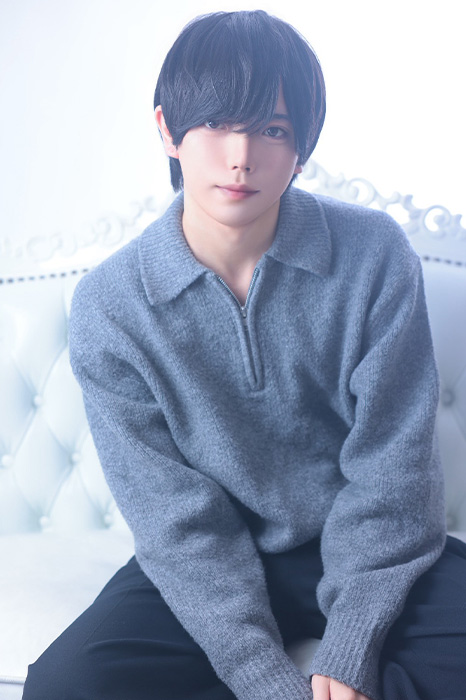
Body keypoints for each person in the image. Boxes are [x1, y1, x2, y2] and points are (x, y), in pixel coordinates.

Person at [23, 10, 466, 700]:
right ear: (168, 130)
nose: (241, 155)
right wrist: (264, 680)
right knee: (68, 686)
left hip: (367, 549)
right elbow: (175, 522)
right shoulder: (112, 305)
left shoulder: (373, 254)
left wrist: (352, 646)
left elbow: (393, 472)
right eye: (215, 123)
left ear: (303, 147)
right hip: (208, 561)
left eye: (273, 130)